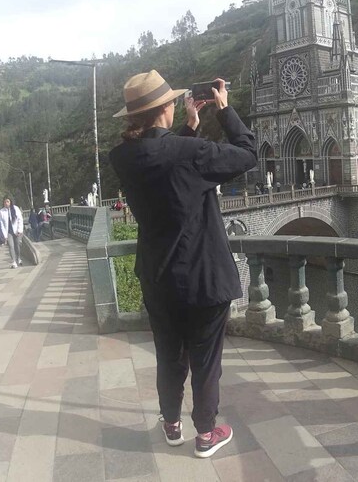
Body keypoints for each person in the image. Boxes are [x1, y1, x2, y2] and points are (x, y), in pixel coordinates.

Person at [109, 70, 256, 459]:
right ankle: (206, 434)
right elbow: (247, 154)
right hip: (203, 279)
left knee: (169, 354)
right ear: (165, 109)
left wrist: (188, 129)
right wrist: (224, 111)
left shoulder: (122, 156)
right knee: (206, 361)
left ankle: (171, 423)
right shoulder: (190, 154)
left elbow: (167, 171)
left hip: (159, 279)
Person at [0, 197, 24, 268]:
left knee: (17, 245)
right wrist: (4, 235)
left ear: (10, 202)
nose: (6, 203)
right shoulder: (1, 211)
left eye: (7, 201)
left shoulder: (15, 209)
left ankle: (18, 258)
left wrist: (19, 230)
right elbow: (1, 224)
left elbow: (20, 219)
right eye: (5, 202)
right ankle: (13, 262)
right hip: (8, 232)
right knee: (11, 246)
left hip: (16, 231)